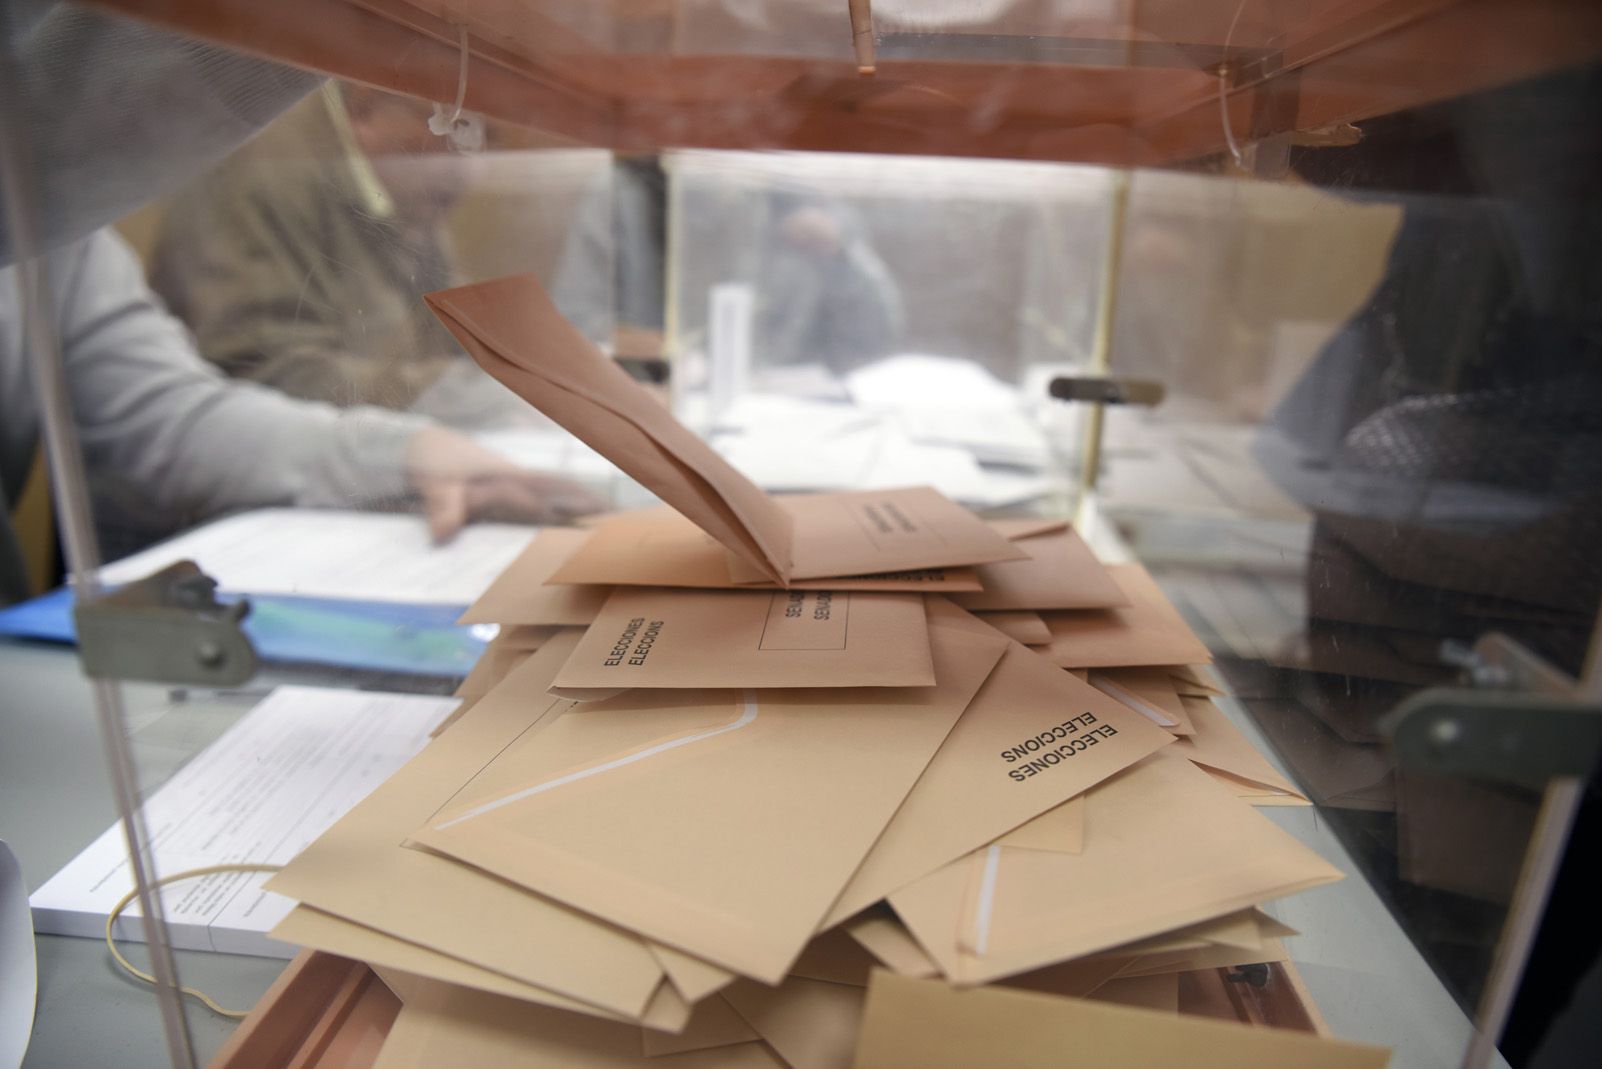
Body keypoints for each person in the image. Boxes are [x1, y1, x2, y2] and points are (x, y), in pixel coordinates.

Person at [0, 227, 604, 605]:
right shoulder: (272, 193)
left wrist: (406, 450)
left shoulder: (58, 225)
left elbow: (164, 417)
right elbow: (287, 364)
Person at [149, 83, 527, 427]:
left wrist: (519, 371)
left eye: (492, 141)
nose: (472, 171)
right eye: (457, 131)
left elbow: (452, 331)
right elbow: (262, 374)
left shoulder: (408, 183)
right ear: (366, 106)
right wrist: (471, 395)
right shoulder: (269, 169)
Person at [550, 155, 904, 378]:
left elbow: (878, 344)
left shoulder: (804, 194)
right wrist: (649, 355)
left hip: (785, 428)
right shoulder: (624, 192)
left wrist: (839, 256)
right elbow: (571, 326)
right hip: (653, 409)